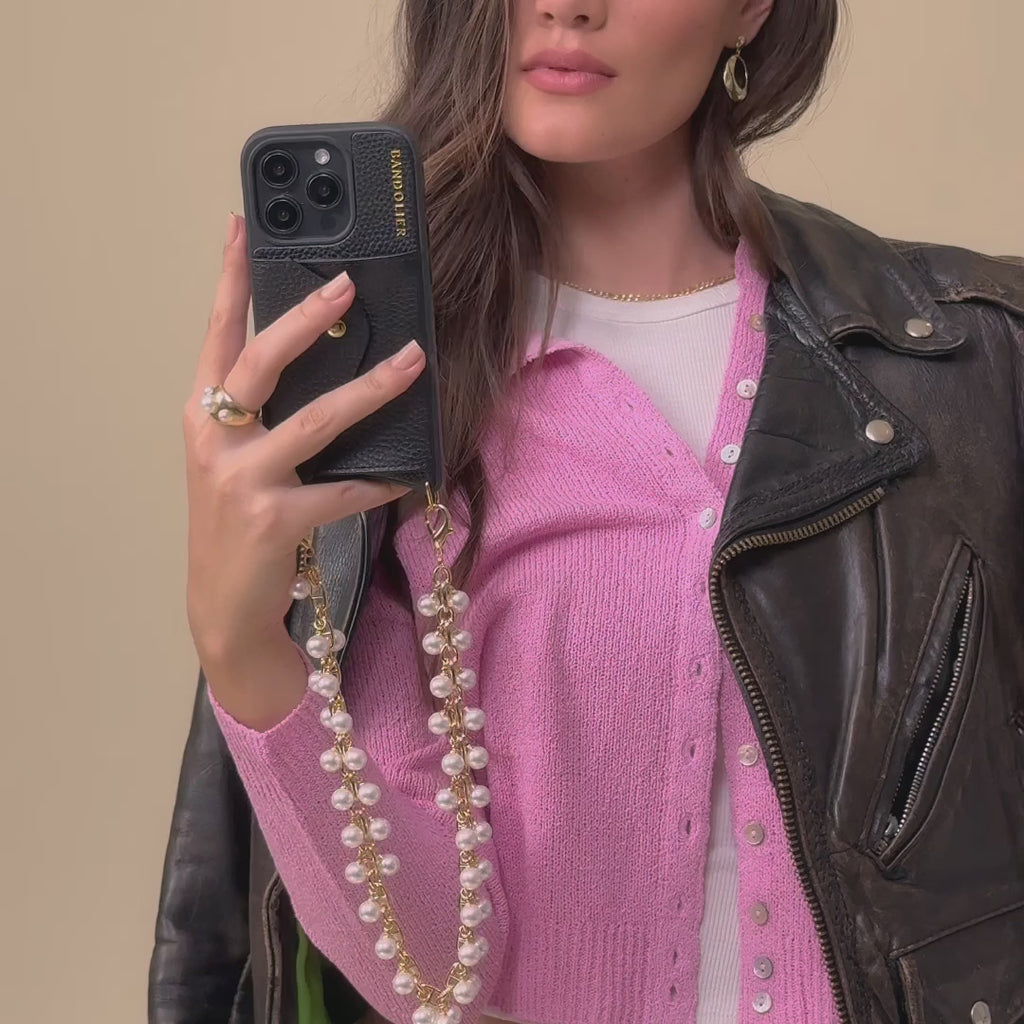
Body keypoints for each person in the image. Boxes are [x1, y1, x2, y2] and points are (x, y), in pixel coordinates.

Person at [149, 1, 1024, 1023]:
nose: (568, 6)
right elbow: (434, 975)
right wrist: (243, 650)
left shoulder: (976, 356)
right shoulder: (390, 400)